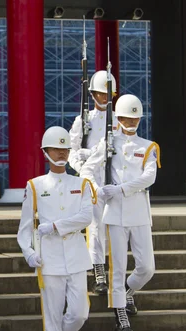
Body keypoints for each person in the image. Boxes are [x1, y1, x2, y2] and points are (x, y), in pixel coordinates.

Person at [17, 126, 96, 331]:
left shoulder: (82, 184)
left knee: (79, 313)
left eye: (65, 148)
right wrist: (28, 252)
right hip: (48, 259)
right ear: (46, 152)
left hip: (75, 255)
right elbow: (24, 229)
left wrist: (55, 226)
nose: (61, 152)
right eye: (55, 148)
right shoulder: (35, 186)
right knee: (51, 314)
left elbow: (87, 217)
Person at [80, 94, 161, 331]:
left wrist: (122, 188)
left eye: (135, 118)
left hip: (138, 210)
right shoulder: (108, 143)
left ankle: (126, 292)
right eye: (127, 117)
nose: (131, 122)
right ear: (119, 118)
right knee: (118, 267)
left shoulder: (148, 146)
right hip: (114, 212)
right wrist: (98, 190)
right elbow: (87, 169)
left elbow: (150, 177)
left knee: (147, 267)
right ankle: (120, 315)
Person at [67, 70, 118, 296]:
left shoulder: (118, 120)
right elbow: (72, 151)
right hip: (92, 178)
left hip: (113, 179)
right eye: (100, 94)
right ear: (92, 95)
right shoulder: (83, 120)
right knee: (95, 226)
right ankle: (98, 270)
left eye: (108, 94)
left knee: (115, 227)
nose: (105, 98)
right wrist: (83, 168)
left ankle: (116, 273)